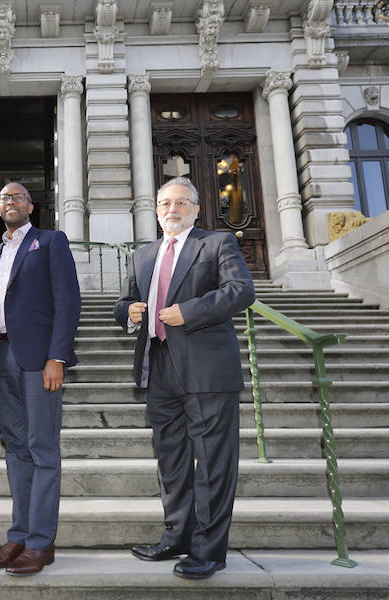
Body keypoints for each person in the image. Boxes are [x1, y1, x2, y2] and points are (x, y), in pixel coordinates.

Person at [114, 176, 255, 580]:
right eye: (165, 204)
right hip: (157, 366)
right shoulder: (143, 255)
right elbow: (123, 303)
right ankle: (177, 536)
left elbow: (242, 291)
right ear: (156, 211)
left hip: (207, 369)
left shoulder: (216, 244)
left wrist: (188, 312)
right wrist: (128, 313)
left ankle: (208, 551)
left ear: (196, 209)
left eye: (181, 203)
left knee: (212, 462)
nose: (172, 210)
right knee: (171, 459)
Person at [0, 182, 81, 576]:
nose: (10, 202)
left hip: (40, 360)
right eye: (4, 198)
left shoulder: (51, 242)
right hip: (3, 358)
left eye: (17, 196)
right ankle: (18, 536)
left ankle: (40, 542)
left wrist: (57, 356)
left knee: (42, 449)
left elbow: (68, 300)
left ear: (31, 206)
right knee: (16, 448)